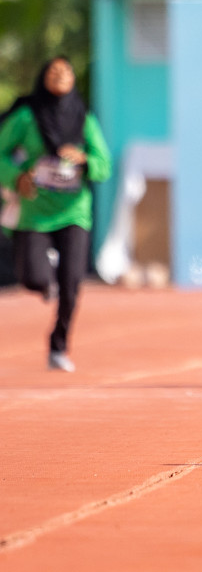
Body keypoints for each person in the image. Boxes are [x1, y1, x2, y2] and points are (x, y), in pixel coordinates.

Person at [0, 58, 112, 371]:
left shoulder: (84, 117)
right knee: (33, 279)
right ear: (43, 78)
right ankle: (45, 278)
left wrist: (85, 159)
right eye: (53, 71)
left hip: (74, 210)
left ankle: (59, 345)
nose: (61, 75)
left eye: (66, 71)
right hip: (34, 210)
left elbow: (104, 163)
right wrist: (16, 175)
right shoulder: (26, 116)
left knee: (72, 283)